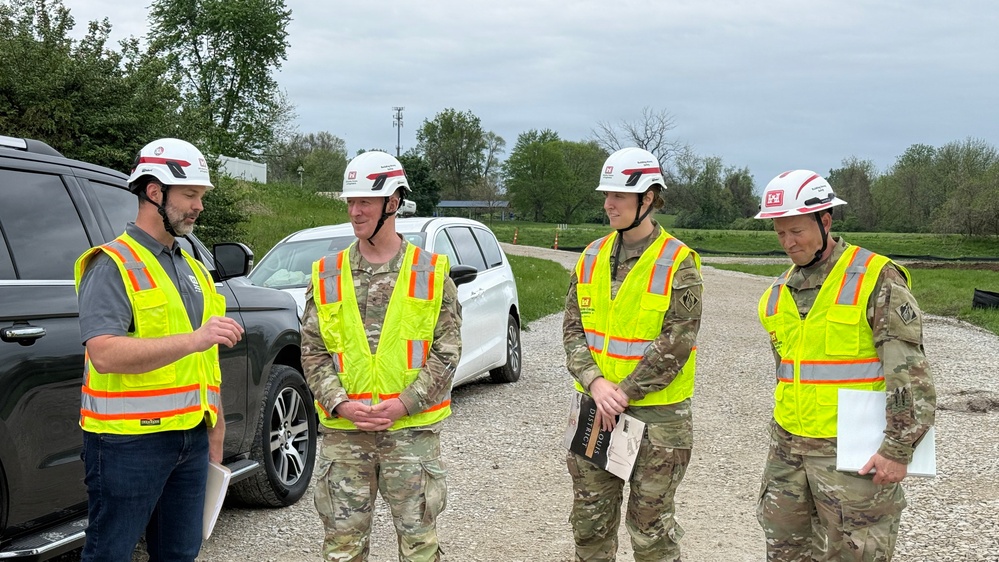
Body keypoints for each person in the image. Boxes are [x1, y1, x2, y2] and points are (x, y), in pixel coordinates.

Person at [74, 138, 244, 561]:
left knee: (179, 554)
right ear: (154, 192)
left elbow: (204, 363)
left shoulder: (189, 266)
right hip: (127, 445)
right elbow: (105, 354)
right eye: (190, 194)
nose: (198, 206)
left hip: (190, 437)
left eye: (201, 196)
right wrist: (196, 338)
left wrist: (216, 428)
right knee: (109, 553)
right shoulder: (112, 263)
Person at [753, 170, 936, 561]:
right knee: (786, 552)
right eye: (780, 232)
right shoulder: (777, 291)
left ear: (826, 220)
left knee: (858, 553)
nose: (788, 242)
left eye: (797, 230)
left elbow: (908, 374)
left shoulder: (874, 278)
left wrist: (899, 449)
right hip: (788, 453)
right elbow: (788, 373)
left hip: (853, 455)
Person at [301, 151, 461, 562]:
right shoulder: (326, 273)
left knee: (419, 547)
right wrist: (341, 405)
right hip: (345, 434)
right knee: (341, 549)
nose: (355, 212)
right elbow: (313, 352)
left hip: (410, 434)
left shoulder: (430, 271)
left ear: (392, 203)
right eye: (351, 203)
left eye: (365, 203)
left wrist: (404, 404)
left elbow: (447, 351)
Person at [563, 147, 703, 562]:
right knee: (589, 527)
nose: (608, 204)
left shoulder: (679, 262)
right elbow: (573, 330)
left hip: (658, 419)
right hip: (596, 409)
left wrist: (622, 392)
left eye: (619, 196)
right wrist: (596, 383)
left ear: (648, 199)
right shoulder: (590, 257)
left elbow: (676, 343)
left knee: (651, 534)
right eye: (606, 195)